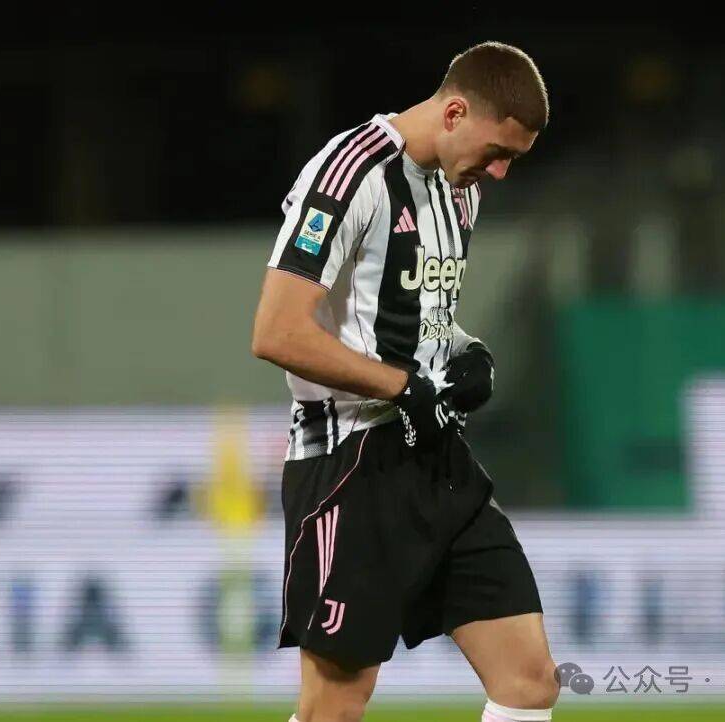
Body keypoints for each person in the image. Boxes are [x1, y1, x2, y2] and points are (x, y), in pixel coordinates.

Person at [252, 41, 558, 722]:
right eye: (497, 151)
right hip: (348, 462)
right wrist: (400, 386)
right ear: (454, 113)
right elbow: (277, 331)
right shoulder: (349, 173)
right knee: (335, 703)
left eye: (513, 159)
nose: (500, 171)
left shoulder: (460, 189)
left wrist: (468, 352)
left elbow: (418, 319)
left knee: (528, 680)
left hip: (434, 457)